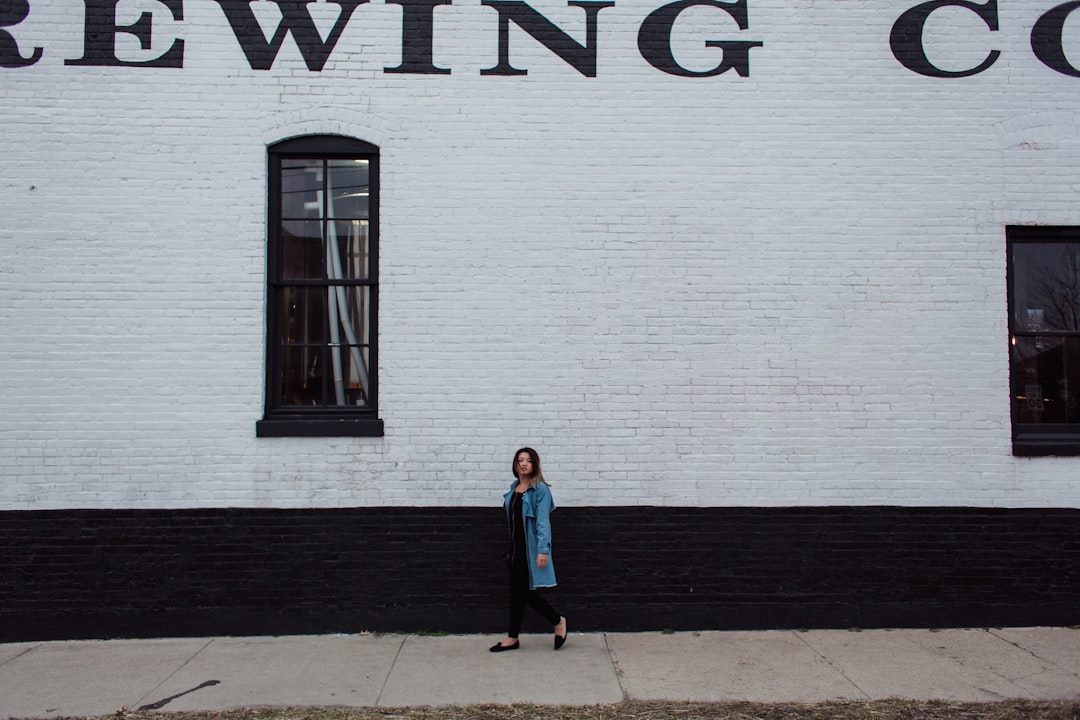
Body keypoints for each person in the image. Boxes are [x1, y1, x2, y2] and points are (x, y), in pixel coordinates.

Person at [490, 447, 568, 652]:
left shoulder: (540, 489)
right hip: (514, 551)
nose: (523, 463)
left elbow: (543, 522)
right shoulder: (514, 489)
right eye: (520, 460)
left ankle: (558, 621)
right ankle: (513, 638)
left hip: (530, 551)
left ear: (535, 464)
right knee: (517, 595)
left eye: (528, 460)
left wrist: (543, 550)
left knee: (524, 594)